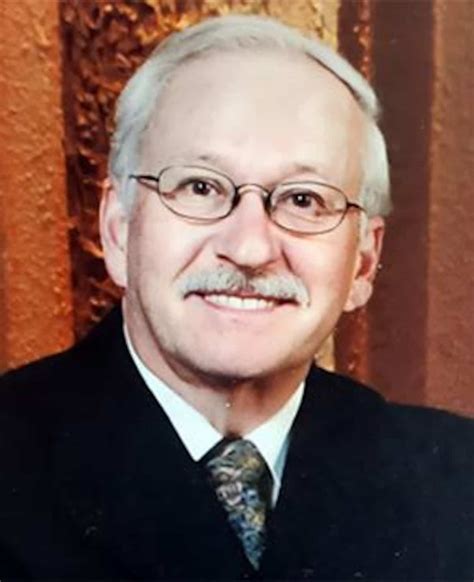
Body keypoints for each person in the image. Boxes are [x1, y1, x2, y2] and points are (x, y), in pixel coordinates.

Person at [0, 14, 472, 580]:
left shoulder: (458, 485)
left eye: (303, 200)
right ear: (118, 229)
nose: (250, 249)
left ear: (363, 262)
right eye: (200, 187)